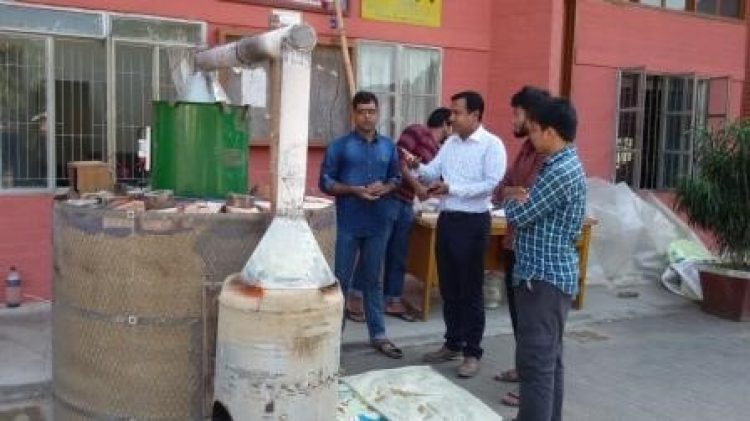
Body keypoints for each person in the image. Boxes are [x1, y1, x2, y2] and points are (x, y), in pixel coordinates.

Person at [413, 91, 507, 378]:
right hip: (448, 219)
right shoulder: (451, 143)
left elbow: (491, 185)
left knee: (470, 289)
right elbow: (431, 173)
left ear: (475, 115)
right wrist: (417, 166)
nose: (450, 118)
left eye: (456, 112)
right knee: (449, 287)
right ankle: (452, 343)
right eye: (451, 112)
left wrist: (452, 188)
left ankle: (472, 351)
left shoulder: (492, 145)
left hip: (473, 222)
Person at [504, 97, 585, 421]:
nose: (531, 137)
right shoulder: (557, 164)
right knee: (549, 360)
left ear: (551, 132)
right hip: (544, 276)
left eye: (535, 130)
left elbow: (520, 212)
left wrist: (515, 201)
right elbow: (519, 200)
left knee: (535, 364)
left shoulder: (560, 170)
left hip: (544, 278)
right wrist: (518, 198)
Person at [318, 91, 404, 359]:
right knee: (341, 280)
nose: (367, 116)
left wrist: (385, 186)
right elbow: (326, 182)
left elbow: (397, 178)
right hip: (348, 222)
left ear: (378, 113)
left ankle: (378, 335)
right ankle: (334, 338)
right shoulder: (340, 146)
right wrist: (355, 190)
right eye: (362, 111)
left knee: (373, 280)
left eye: (372, 111)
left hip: (379, 222)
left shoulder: (389, 146)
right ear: (353, 114)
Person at [346, 107, 452, 323]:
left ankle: (392, 299)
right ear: (445, 124)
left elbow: (426, 175)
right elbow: (399, 161)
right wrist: (419, 187)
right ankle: (355, 297)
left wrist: (429, 189)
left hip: (407, 203)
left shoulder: (440, 149)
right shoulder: (417, 132)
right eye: (453, 122)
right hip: (389, 198)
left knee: (398, 254)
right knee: (375, 250)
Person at [492, 86, 551, 407]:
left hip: (535, 252)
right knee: (518, 317)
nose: (512, 119)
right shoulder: (526, 149)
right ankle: (522, 369)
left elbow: (529, 198)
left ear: (531, 117)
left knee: (534, 325)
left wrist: (513, 193)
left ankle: (531, 385)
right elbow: (504, 188)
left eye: (516, 114)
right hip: (514, 244)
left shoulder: (549, 156)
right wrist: (512, 192)